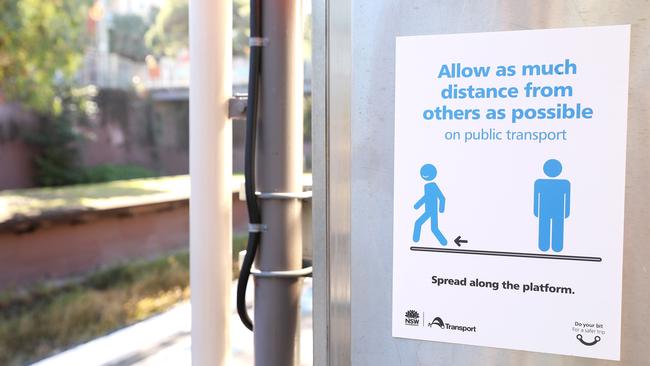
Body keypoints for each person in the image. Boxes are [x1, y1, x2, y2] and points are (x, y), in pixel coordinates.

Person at [534, 159, 571, 252]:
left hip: (553, 211)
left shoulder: (565, 183)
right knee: (546, 227)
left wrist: (566, 212)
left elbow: (567, 199)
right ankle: (544, 247)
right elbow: (536, 198)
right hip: (550, 211)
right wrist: (566, 213)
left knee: (555, 228)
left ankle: (556, 247)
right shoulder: (539, 183)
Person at [413, 164, 447, 245]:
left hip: (433, 211)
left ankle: (443, 242)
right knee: (420, 224)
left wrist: (441, 209)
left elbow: (442, 197)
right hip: (428, 210)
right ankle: (416, 240)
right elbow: (426, 197)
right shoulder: (426, 186)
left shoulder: (434, 186)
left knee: (433, 228)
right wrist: (417, 205)